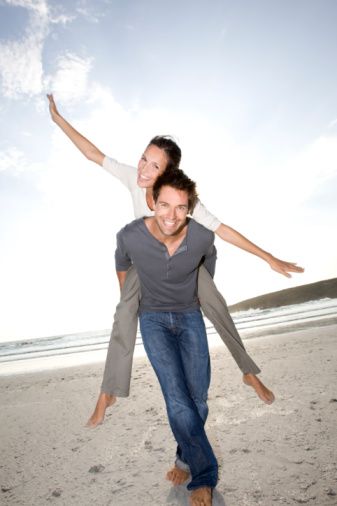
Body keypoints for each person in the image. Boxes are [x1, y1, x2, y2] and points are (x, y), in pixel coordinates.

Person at [46, 94, 304, 428]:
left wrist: (268, 257)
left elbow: (223, 231)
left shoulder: (184, 201)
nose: (143, 168)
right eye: (143, 159)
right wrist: (58, 119)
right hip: (146, 265)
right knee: (124, 310)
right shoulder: (131, 178)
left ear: (169, 173)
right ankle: (108, 391)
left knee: (215, 302)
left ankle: (249, 373)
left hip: (182, 263)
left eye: (154, 165)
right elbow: (92, 153)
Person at [115, 168, 218, 505]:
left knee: (197, 398)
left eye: (181, 208)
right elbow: (121, 260)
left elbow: (211, 256)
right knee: (176, 398)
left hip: (190, 316)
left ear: (189, 209)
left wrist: (204, 288)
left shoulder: (201, 236)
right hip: (154, 321)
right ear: (153, 202)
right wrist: (129, 298)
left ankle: (184, 458)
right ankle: (203, 475)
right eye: (164, 205)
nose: (171, 215)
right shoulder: (131, 235)